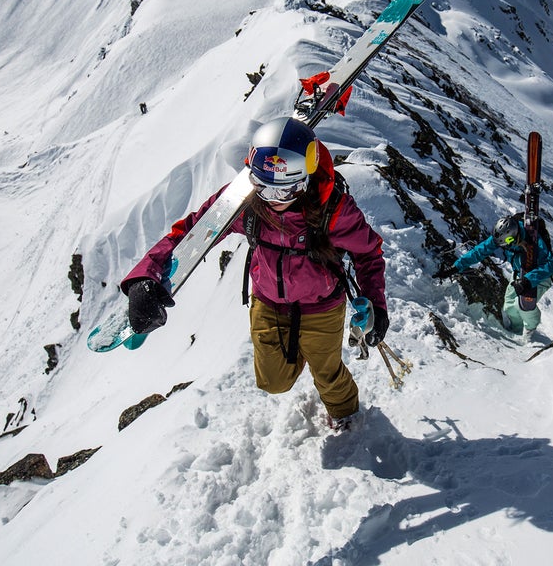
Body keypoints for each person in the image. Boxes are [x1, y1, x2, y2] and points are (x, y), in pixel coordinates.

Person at [120, 117, 389, 431]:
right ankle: (301, 353)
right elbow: (193, 230)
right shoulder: (245, 202)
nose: (273, 201)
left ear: (306, 178)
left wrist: (377, 305)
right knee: (273, 382)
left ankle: (346, 414)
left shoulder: (332, 209)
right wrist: (145, 276)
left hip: (322, 304)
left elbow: (368, 252)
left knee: (327, 371)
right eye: (264, 188)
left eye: (286, 191)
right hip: (269, 301)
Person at [439, 215, 553, 339]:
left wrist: (528, 280)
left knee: (522, 304)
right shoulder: (501, 237)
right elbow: (479, 251)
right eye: (503, 245)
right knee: (509, 307)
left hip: (540, 276)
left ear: (515, 234)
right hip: (519, 273)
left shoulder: (532, 237)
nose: (506, 247)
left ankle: (531, 333)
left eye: (509, 243)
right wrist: (455, 267)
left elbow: (550, 264)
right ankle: (517, 331)